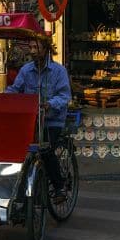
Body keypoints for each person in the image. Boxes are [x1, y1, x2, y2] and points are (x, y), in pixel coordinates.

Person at [6, 37, 72, 204]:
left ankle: (59, 187)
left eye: (37, 47)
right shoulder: (26, 70)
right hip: (30, 120)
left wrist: (50, 104)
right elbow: (15, 90)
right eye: (31, 47)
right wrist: (1, 97)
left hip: (52, 121)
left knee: (45, 149)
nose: (33, 51)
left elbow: (65, 96)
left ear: (47, 49)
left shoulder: (59, 71)